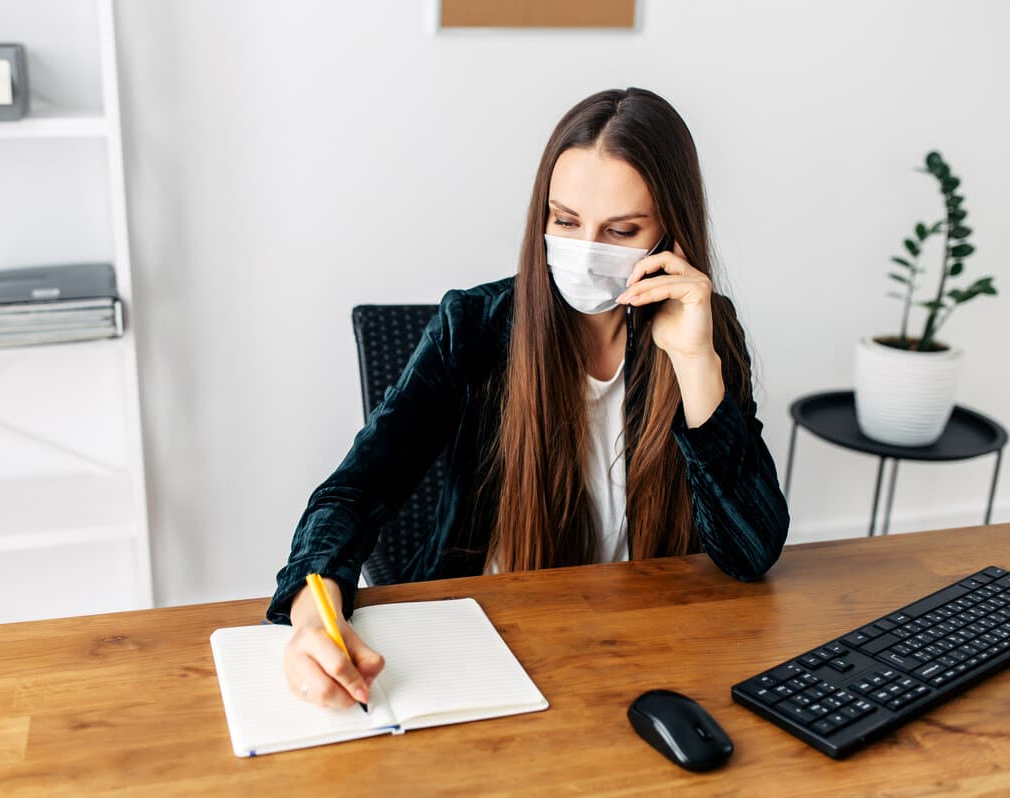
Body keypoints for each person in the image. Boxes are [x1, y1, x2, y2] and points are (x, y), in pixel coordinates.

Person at [267, 87, 790, 710]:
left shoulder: (706, 327)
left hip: (650, 651)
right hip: (489, 651)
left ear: (668, 232)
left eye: (620, 230)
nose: (585, 246)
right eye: (565, 221)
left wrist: (695, 362)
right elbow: (350, 494)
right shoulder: (474, 327)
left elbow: (750, 552)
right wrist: (309, 614)